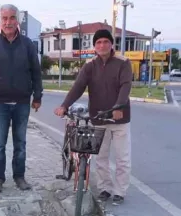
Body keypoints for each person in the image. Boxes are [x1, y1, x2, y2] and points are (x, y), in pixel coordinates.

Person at [54, 29, 132, 205]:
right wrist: (64, 105)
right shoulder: (90, 65)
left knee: (122, 158)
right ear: (94, 46)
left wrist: (118, 106)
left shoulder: (123, 62)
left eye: (105, 41)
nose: (102, 45)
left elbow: (125, 86)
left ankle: (120, 191)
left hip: (119, 118)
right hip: (98, 117)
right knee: (101, 157)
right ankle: (105, 188)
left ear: (112, 44)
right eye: (98, 42)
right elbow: (78, 86)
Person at [0, 4, 43, 193]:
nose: (8, 22)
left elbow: (36, 72)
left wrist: (37, 96)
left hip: (22, 103)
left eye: (12, 18)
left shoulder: (28, 45)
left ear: (18, 20)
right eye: (5, 18)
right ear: (0, 20)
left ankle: (19, 177)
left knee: (20, 144)